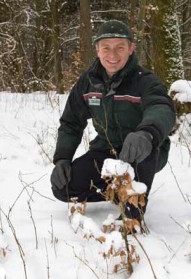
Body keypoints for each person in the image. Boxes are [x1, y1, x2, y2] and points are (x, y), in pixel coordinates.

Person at [50, 19, 176, 221]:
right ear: (97, 50)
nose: (112, 55)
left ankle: (132, 208)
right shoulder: (88, 82)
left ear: (131, 49)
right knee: (62, 188)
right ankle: (116, 191)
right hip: (106, 150)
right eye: (106, 48)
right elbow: (71, 122)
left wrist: (147, 133)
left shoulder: (145, 81)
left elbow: (161, 107)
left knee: (131, 207)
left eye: (120, 47)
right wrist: (62, 158)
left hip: (145, 150)